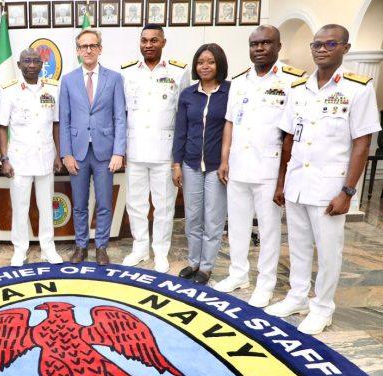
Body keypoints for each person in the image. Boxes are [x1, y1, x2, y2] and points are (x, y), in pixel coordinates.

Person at [266, 24, 379, 334]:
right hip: (297, 183)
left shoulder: (358, 89)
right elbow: (289, 139)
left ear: (345, 48)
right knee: (298, 245)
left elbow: (362, 144)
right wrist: (282, 183)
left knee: (328, 251)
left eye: (330, 44)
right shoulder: (298, 88)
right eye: (317, 44)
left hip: (330, 186)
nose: (321, 49)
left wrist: (348, 191)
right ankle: (298, 296)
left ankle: (323, 307)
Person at [214, 26, 306, 307]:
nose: (259, 48)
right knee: (237, 226)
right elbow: (230, 122)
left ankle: (265, 284)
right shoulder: (239, 81)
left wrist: (283, 177)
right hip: (238, 166)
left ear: (279, 46)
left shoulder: (293, 81)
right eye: (254, 44)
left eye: (266, 43)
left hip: (269, 169)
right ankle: (238, 274)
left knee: (268, 230)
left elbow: (291, 133)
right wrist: (224, 159)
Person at [121, 24, 190, 272]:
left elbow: (183, 115)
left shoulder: (179, 72)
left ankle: (160, 251)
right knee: (136, 204)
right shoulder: (127, 72)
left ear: (163, 42)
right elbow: (122, 113)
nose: (148, 45)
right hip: (135, 149)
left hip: (165, 152)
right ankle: (140, 248)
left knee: (164, 206)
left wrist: (177, 158)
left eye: (154, 40)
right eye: (144, 40)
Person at [59, 29, 126, 265]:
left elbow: (120, 117)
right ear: (77, 51)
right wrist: (66, 153)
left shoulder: (114, 78)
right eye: (83, 46)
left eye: (92, 45)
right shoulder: (68, 80)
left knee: (104, 203)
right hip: (77, 152)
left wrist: (118, 151)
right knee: (79, 204)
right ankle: (81, 246)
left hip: (105, 153)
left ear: (100, 49)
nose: (88, 50)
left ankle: (101, 247)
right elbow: (64, 119)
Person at [0, 49, 64, 267]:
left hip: (46, 158)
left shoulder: (52, 89)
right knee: (20, 207)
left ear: (42, 64)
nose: (32, 65)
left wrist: (58, 154)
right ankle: (20, 249)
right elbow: (2, 127)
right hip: (19, 160)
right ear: (19, 65)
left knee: (46, 206)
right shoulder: (9, 91)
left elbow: (56, 124)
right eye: (27, 61)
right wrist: (4, 159)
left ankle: (48, 248)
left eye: (36, 61)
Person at [171, 43, 230, 284]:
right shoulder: (188, 94)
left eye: (210, 62)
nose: (205, 66)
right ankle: (193, 262)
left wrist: (227, 160)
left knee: (213, 220)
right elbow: (180, 132)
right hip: (191, 164)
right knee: (193, 218)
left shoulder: (229, 92)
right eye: (200, 62)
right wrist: (176, 164)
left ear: (219, 64)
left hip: (217, 167)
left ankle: (206, 268)